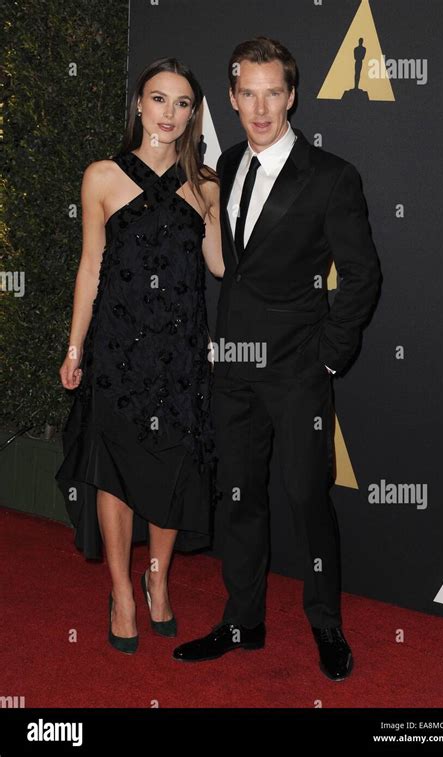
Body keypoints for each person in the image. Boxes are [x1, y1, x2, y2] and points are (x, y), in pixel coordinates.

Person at [173, 37, 381, 680]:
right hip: (232, 369)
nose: (261, 107)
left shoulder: (332, 176)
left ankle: (325, 624)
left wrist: (326, 360)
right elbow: (229, 269)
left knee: (306, 499)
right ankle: (244, 619)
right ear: (232, 98)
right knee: (238, 500)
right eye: (247, 93)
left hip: (296, 372)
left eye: (273, 93)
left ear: (291, 96)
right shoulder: (227, 163)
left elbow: (362, 275)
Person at [55, 58, 224, 654]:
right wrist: (75, 346)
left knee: (172, 469)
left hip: (180, 355)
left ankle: (158, 580)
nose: (170, 114)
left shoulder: (206, 182)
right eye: (159, 99)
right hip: (118, 348)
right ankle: (122, 593)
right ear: (138, 105)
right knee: (117, 473)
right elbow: (90, 268)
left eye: (183, 103)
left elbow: (222, 266)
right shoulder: (102, 176)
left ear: (194, 113)